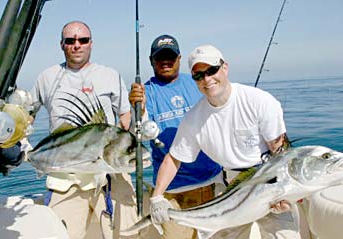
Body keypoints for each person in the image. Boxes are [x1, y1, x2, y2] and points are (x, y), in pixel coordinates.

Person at [149, 44, 301, 239]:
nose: (207, 79)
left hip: (269, 181)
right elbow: (174, 158)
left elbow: (281, 151)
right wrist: (157, 196)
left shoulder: (260, 101)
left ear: (225, 67)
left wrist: (288, 192)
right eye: (198, 75)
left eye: (212, 70)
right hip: (230, 190)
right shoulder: (193, 119)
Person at [31, 21, 138, 239]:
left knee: (125, 233)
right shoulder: (46, 77)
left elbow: (125, 116)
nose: (77, 45)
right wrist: (20, 146)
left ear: (91, 43)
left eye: (83, 40)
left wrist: (119, 146)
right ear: (62, 45)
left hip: (109, 172)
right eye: (70, 41)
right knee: (59, 234)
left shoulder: (110, 75)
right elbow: (25, 116)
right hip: (65, 176)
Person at [129, 35, 224, 239]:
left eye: (170, 57)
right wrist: (137, 108)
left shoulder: (198, 83)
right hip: (171, 189)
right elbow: (137, 135)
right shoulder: (146, 92)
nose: (165, 62)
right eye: (160, 57)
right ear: (151, 61)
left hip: (211, 181)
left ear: (179, 58)